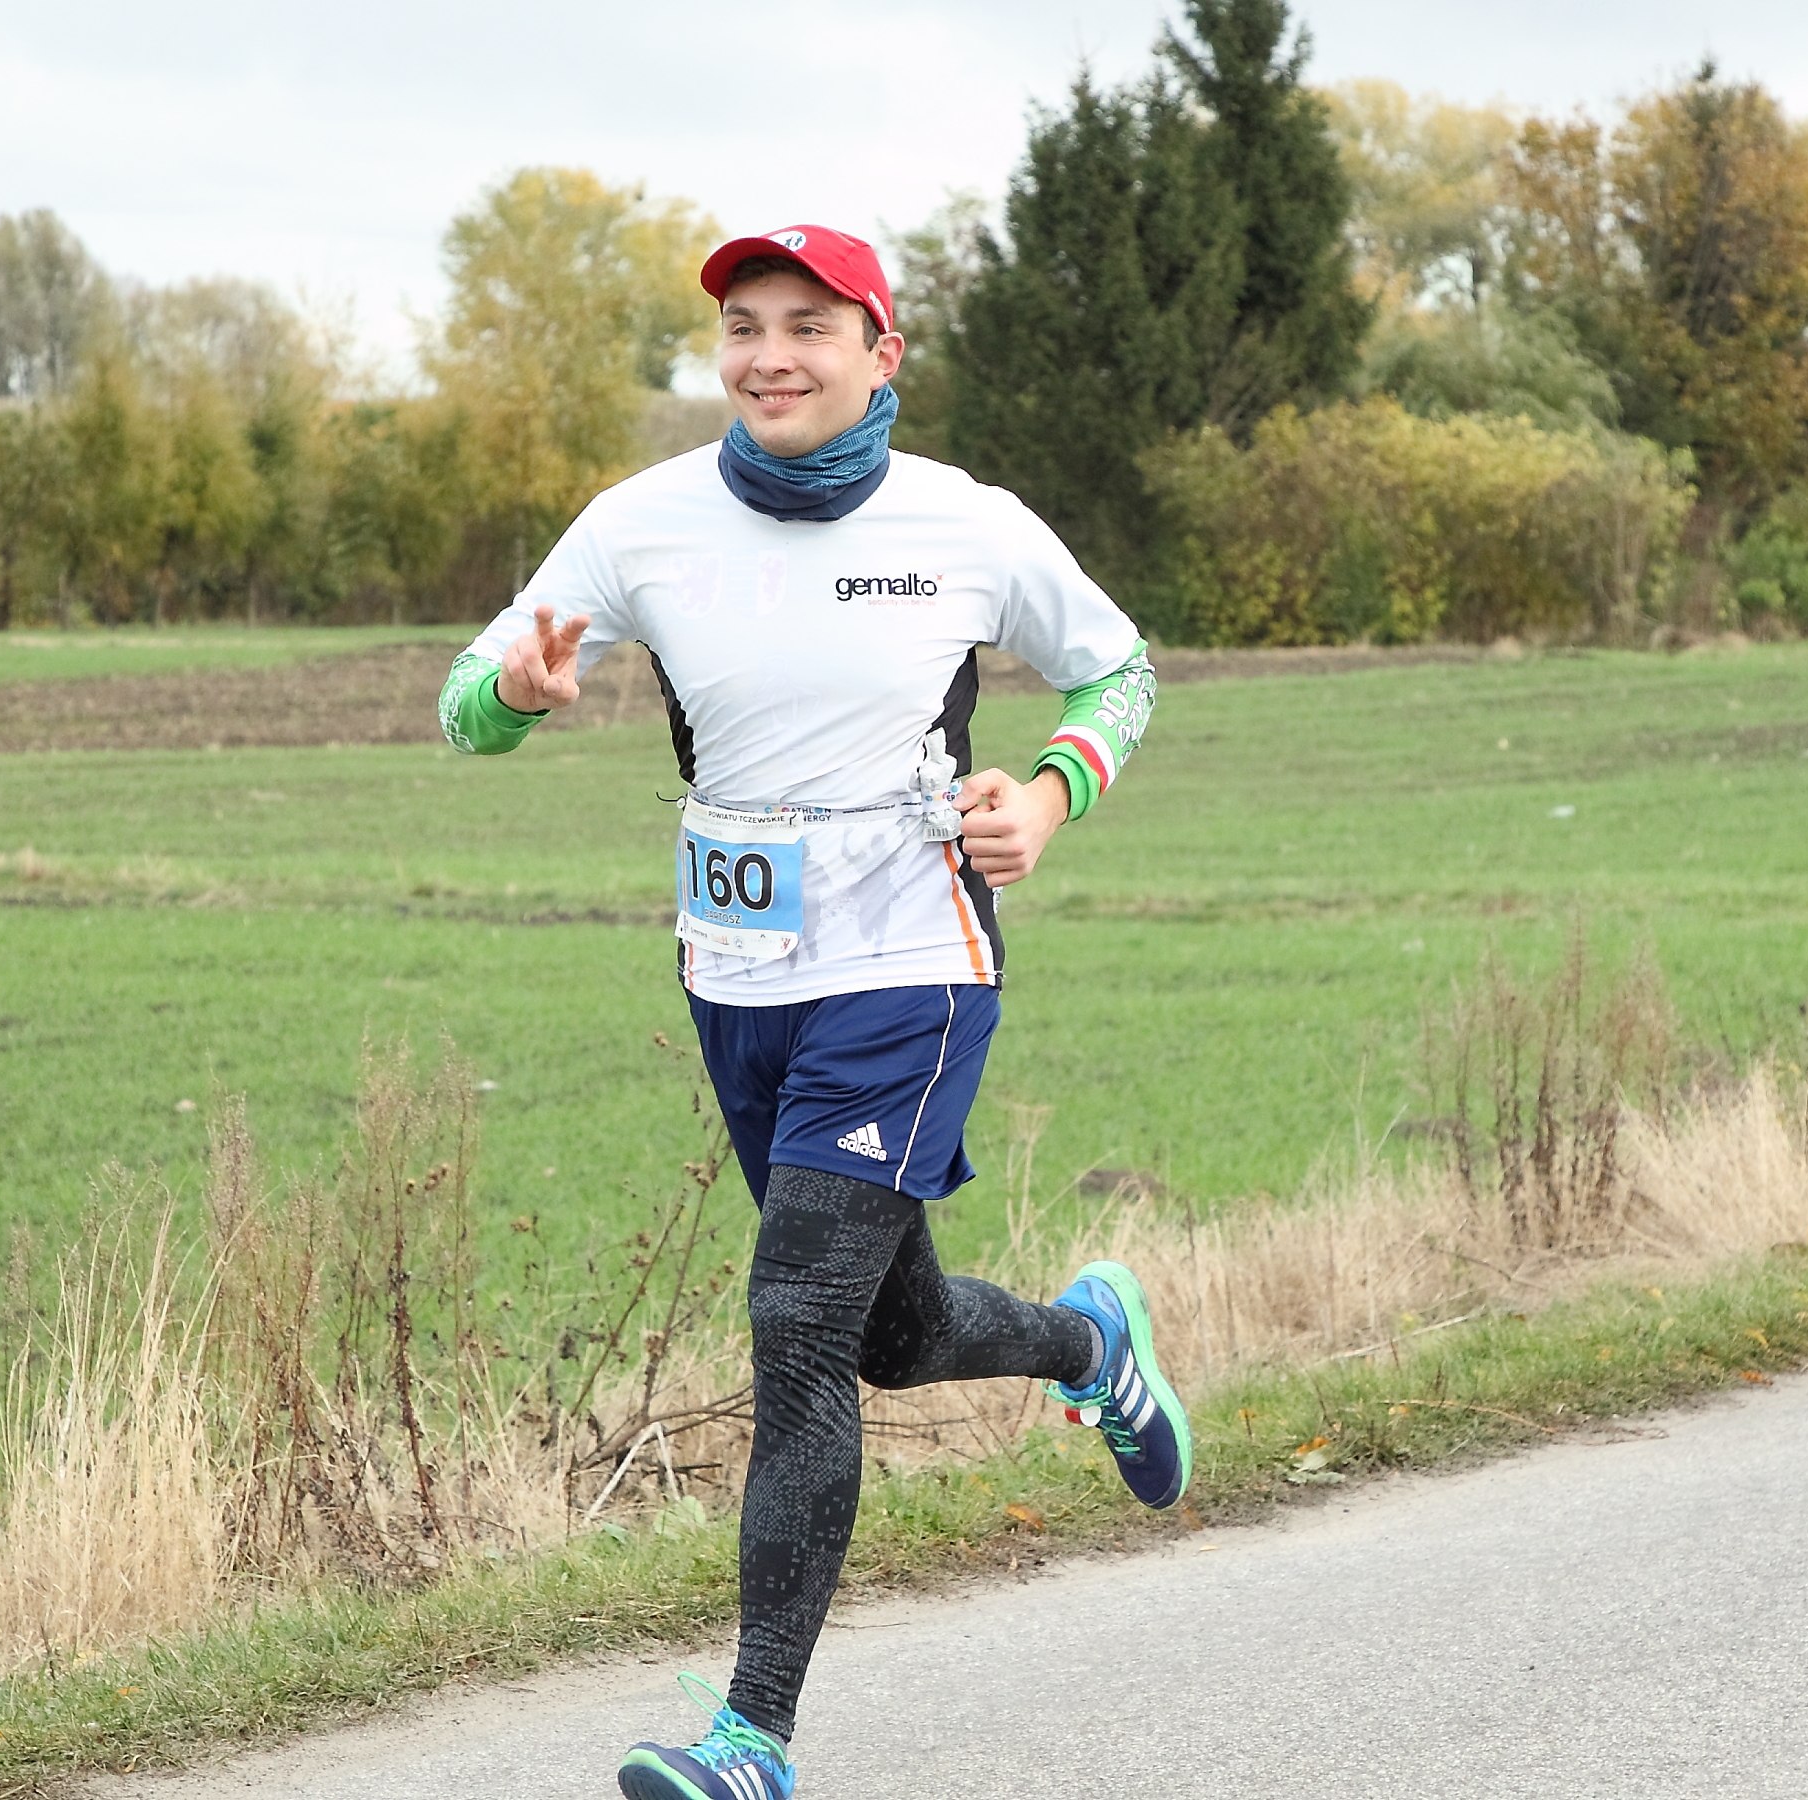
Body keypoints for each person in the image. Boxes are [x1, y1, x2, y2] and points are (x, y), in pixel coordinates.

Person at [437, 223, 1188, 1800]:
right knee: (893, 1336)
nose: (769, 356)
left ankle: (750, 1742)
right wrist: (513, 695)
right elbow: (465, 708)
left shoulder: (965, 522)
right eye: (743, 328)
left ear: (879, 352)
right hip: (737, 975)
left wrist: (1050, 796)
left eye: (808, 326)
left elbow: (1120, 671)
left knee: (795, 1325)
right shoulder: (641, 524)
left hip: (913, 962)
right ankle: (1088, 1341)